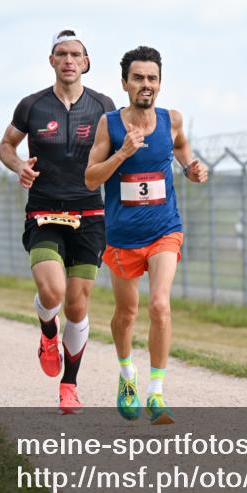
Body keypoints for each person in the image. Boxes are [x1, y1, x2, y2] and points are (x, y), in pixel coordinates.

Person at [85, 46, 207, 424]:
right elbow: (91, 178)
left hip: (164, 230)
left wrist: (191, 169)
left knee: (159, 305)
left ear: (160, 83)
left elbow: (184, 151)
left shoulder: (172, 121)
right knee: (127, 313)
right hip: (122, 237)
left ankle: (156, 392)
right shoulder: (111, 125)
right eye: (138, 78)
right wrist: (121, 154)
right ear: (125, 83)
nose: (145, 84)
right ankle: (127, 376)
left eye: (152, 78)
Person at [0, 29, 115, 414]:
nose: (68, 60)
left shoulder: (103, 105)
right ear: (51, 61)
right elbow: (6, 145)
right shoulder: (32, 106)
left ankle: (69, 385)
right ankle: (48, 331)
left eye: (75, 54)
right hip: (45, 210)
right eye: (61, 53)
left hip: (89, 212)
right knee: (53, 294)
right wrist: (19, 166)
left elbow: (118, 153)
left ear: (86, 62)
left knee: (78, 307)